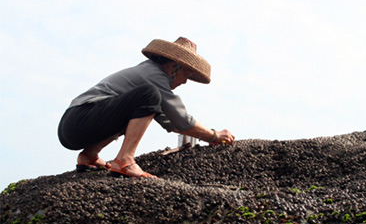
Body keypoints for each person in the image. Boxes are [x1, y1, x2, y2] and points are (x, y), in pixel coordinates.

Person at [57, 37, 235, 178]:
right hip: (80, 118)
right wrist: (214, 135)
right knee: (148, 94)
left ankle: (89, 155)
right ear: (174, 66)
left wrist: (205, 136)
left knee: (145, 101)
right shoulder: (154, 77)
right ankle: (125, 160)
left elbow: (172, 122)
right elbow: (181, 120)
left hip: (73, 125)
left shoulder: (149, 82)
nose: (185, 81)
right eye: (185, 75)